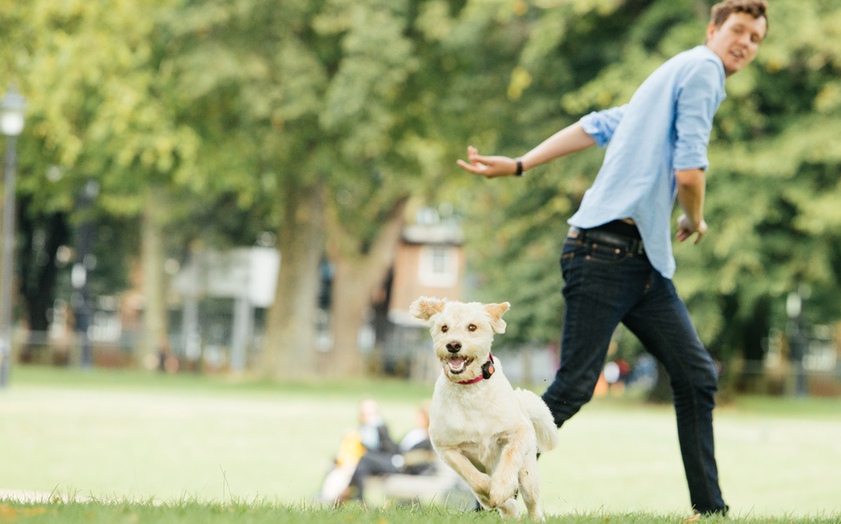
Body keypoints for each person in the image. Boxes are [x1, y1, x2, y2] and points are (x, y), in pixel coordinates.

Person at [456, 0, 768, 516]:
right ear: (713, 30)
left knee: (695, 376)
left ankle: (711, 510)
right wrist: (694, 217)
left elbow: (598, 125)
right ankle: (488, 496)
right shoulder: (705, 71)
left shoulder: (668, 79)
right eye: (738, 30)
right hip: (606, 252)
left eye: (756, 38)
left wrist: (518, 164)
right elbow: (691, 171)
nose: (746, 44)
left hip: (641, 261)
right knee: (574, 387)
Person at [342, 403, 436, 503]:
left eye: (420, 416)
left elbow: (423, 458)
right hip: (393, 459)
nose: (417, 418)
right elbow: (396, 446)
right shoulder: (414, 432)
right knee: (363, 463)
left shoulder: (428, 438)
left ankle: (352, 493)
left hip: (401, 466)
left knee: (364, 460)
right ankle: (357, 496)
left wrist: (404, 460)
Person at [318, 398, 398, 504]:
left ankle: (353, 498)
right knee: (341, 465)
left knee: (354, 466)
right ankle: (331, 495)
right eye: (363, 413)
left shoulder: (380, 427)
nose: (366, 416)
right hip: (358, 464)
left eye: (369, 413)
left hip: (379, 463)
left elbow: (387, 448)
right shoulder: (362, 429)